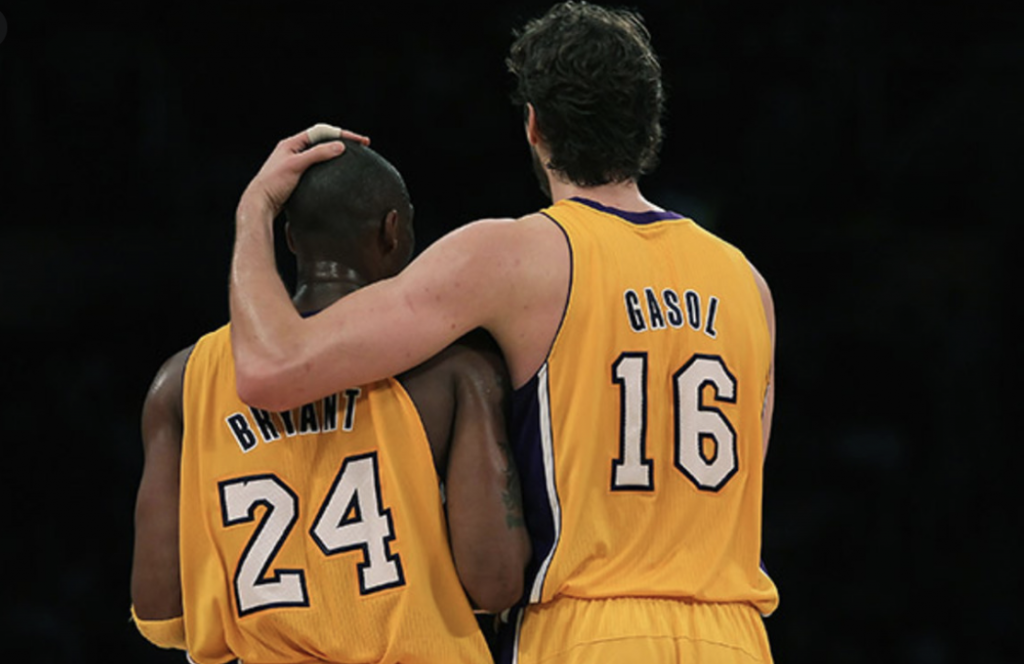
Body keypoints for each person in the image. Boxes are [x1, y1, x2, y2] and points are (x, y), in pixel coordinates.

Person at [228, 2, 779, 662]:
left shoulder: (516, 255)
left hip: (589, 632)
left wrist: (255, 208)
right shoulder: (747, 283)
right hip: (736, 635)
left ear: (534, 125)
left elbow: (271, 370)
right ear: (648, 124)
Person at [131, 135, 530, 664]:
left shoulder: (181, 383)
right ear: (393, 231)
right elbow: (496, 583)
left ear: (290, 239)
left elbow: (160, 612)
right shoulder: (451, 372)